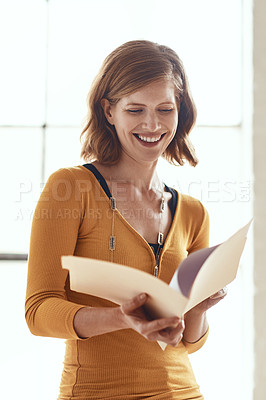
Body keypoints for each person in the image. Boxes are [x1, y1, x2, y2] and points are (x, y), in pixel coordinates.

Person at [25, 40, 227, 400]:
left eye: (165, 109)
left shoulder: (193, 212)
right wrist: (122, 317)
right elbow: (38, 311)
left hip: (184, 391)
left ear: (180, 110)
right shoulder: (71, 188)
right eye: (135, 109)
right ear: (109, 111)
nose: (152, 124)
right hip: (97, 392)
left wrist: (199, 306)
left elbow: (186, 342)